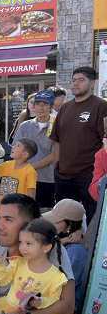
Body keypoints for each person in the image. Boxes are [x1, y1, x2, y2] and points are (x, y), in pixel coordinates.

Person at [51, 66, 107, 221]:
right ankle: (66, 245)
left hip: (89, 174)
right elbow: (57, 140)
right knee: (64, 221)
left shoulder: (101, 106)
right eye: (74, 80)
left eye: (81, 80)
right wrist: (57, 166)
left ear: (92, 83)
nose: (75, 84)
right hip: (64, 175)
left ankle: (89, 246)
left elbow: (105, 141)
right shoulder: (65, 108)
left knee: (94, 219)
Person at [12, 90, 58, 208]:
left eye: (45, 104)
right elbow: (16, 149)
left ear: (51, 107)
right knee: (24, 211)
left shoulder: (56, 125)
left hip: (46, 178)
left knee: (44, 213)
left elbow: (54, 155)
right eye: (38, 104)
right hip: (24, 178)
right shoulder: (25, 125)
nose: (41, 108)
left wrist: (30, 168)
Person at [43, 199, 88, 313]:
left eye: (57, 221)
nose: (51, 223)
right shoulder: (61, 241)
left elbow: (60, 289)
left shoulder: (76, 252)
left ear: (70, 225)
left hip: (58, 308)